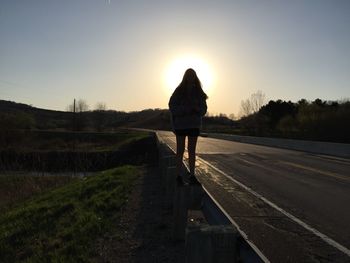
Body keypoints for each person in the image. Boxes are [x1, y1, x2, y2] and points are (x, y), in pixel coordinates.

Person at [168, 68, 208, 185]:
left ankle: (192, 176)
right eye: (189, 75)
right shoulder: (179, 91)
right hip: (181, 125)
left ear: (195, 77)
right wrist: (184, 110)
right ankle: (178, 176)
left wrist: (197, 110)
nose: (190, 78)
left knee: (192, 151)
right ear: (185, 77)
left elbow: (204, 109)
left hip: (194, 125)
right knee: (180, 151)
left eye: (192, 75)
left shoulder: (199, 93)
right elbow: (172, 106)